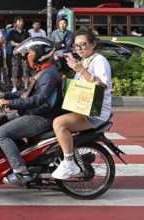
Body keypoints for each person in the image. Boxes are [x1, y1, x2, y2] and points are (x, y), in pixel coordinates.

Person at [0, 37, 63, 184]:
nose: (27, 57)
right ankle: (23, 157)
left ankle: (21, 171)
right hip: (36, 113)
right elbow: (27, 93)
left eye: (30, 53)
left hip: (42, 117)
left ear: (39, 54)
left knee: (2, 133)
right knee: (3, 123)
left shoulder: (49, 74)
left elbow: (37, 100)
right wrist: (5, 95)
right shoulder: (43, 71)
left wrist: (9, 103)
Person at [51, 29, 112, 179]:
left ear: (93, 44)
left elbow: (101, 85)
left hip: (94, 112)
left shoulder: (99, 61)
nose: (79, 49)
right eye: (76, 46)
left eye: (82, 45)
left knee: (60, 124)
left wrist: (81, 70)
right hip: (82, 108)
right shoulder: (85, 61)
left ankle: (69, 162)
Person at [50, 17, 74, 90]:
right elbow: (51, 45)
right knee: (57, 73)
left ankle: (62, 89)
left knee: (65, 73)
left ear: (67, 24)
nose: (62, 25)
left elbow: (73, 44)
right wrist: (54, 54)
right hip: (57, 56)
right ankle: (55, 88)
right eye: (61, 23)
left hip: (66, 56)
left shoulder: (71, 34)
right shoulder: (54, 33)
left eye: (64, 23)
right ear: (58, 24)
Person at [9, 16, 30, 92]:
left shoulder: (26, 32)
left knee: (26, 71)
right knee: (14, 71)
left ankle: (26, 87)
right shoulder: (12, 32)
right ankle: (14, 87)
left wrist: (25, 51)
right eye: (20, 21)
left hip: (24, 54)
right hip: (16, 54)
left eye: (22, 21)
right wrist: (22, 45)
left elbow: (28, 43)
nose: (21, 23)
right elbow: (12, 43)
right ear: (15, 23)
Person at [4, 23, 15, 87]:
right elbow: (4, 41)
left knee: (16, 68)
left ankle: (15, 83)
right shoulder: (9, 31)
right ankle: (8, 82)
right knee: (9, 68)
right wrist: (6, 50)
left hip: (17, 52)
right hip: (9, 52)